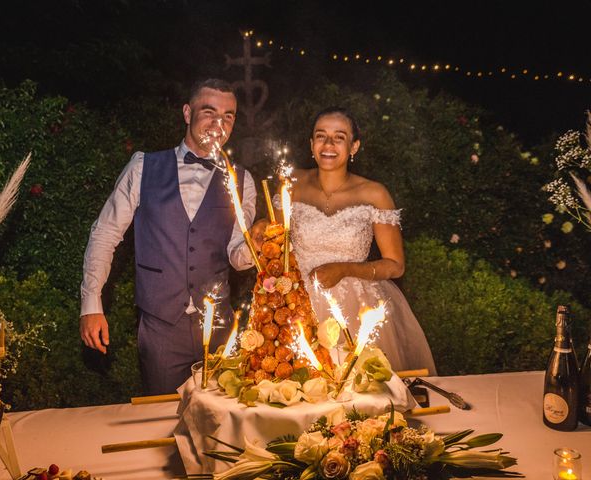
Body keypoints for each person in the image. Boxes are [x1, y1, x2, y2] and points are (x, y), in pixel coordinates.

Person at [80, 79, 258, 394]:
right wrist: (91, 303)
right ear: (187, 113)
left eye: (228, 116)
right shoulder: (142, 167)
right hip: (161, 328)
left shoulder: (241, 180)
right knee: (162, 422)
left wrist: (257, 248)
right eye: (209, 112)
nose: (219, 123)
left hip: (219, 328)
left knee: (221, 423)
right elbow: (105, 234)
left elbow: (236, 256)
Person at [281, 106, 436, 374]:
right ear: (311, 144)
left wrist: (345, 269)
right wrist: (262, 226)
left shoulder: (374, 193)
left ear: (354, 146)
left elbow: (395, 265)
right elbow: (276, 233)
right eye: (321, 136)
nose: (328, 144)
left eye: (339, 137)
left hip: (356, 306)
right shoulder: (292, 182)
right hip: (297, 302)